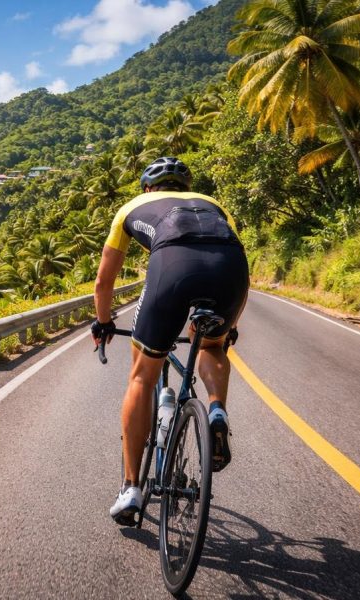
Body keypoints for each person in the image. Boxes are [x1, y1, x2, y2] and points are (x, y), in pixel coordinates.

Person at [91, 156, 249, 526]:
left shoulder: (131, 207)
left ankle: (131, 487)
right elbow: (235, 252)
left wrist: (103, 322)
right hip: (231, 271)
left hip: (172, 268)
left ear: (148, 189)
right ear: (187, 186)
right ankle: (215, 410)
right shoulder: (215, 205)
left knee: (142, 376)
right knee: (211, 345)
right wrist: (231, 324)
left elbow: (103, 283)